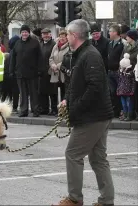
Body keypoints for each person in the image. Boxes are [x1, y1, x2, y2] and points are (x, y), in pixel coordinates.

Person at [52, 19, 114, 206]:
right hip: (97, 115)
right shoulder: (82, 54)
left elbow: (95, 88)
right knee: (98, 159)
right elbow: (75, 84)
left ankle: (74, 199)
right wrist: (66, 100)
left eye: (68, 34)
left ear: (74, 35)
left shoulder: (90, 55)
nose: (66, 37)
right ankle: (106, 201)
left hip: (92, 117)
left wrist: (74, 107)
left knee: (73, 154)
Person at [10, 25, 43, 117]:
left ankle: (35, 110)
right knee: (23, 93)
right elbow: (13, 58)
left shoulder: (35, 43)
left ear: (29, 33)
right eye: (23, 32)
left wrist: (40, 69)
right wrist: (11, 70)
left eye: (26, 32)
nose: (24, 34)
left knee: (33, 93)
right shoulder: (17, 43)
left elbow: (40, 57)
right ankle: (23, 110)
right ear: (20, 33)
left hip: (33, 73)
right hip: (20, 73)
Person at [107, 24, 125, 118]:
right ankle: (114, 110)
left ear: (115, 32)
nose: (109, 33)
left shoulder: (122, 43)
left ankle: (120, 110)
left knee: (119, 92)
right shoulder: (110, 43)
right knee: (112, 91)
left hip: (117, 71)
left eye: (110, 31)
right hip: (110, 71)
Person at [38, 28, 57, 115]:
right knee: (42, 92)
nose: (45, 36)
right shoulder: (40, 44)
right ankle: (44, 108)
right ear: (42, 35)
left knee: (52, 92)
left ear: (50, 34)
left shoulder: (54, 44)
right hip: (42, 72)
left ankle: (54, 109)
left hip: (51, 71)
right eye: (43, 34)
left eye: (47, 34)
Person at [49, 30, 69, 102]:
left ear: (67, 38)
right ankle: (55, 109)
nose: (62, 39)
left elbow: (68, 58)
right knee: (54, 92)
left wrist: (58, 65)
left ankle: (64, 111)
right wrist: (53, 65)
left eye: (64, 37)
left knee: (64, 93)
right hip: (55, 73)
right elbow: (51, 58)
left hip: (64, 73)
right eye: (60, 37)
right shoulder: (55, 46)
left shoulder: (69, 46)